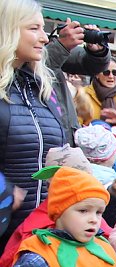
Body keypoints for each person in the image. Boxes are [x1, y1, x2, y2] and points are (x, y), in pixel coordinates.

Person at [0, 0, 65, 244]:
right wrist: (4, 192)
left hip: (38, 236)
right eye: (34, 28)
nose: (45, 38)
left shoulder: (42, 88)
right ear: (9, 29)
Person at [43, 17, 111, 142]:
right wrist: (60, 45)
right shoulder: (14, 57)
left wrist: (96, 51)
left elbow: (90, 66)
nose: (43, 37)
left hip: (64, 140)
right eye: (34, 28)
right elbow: (37, 69)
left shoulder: (42, 46)